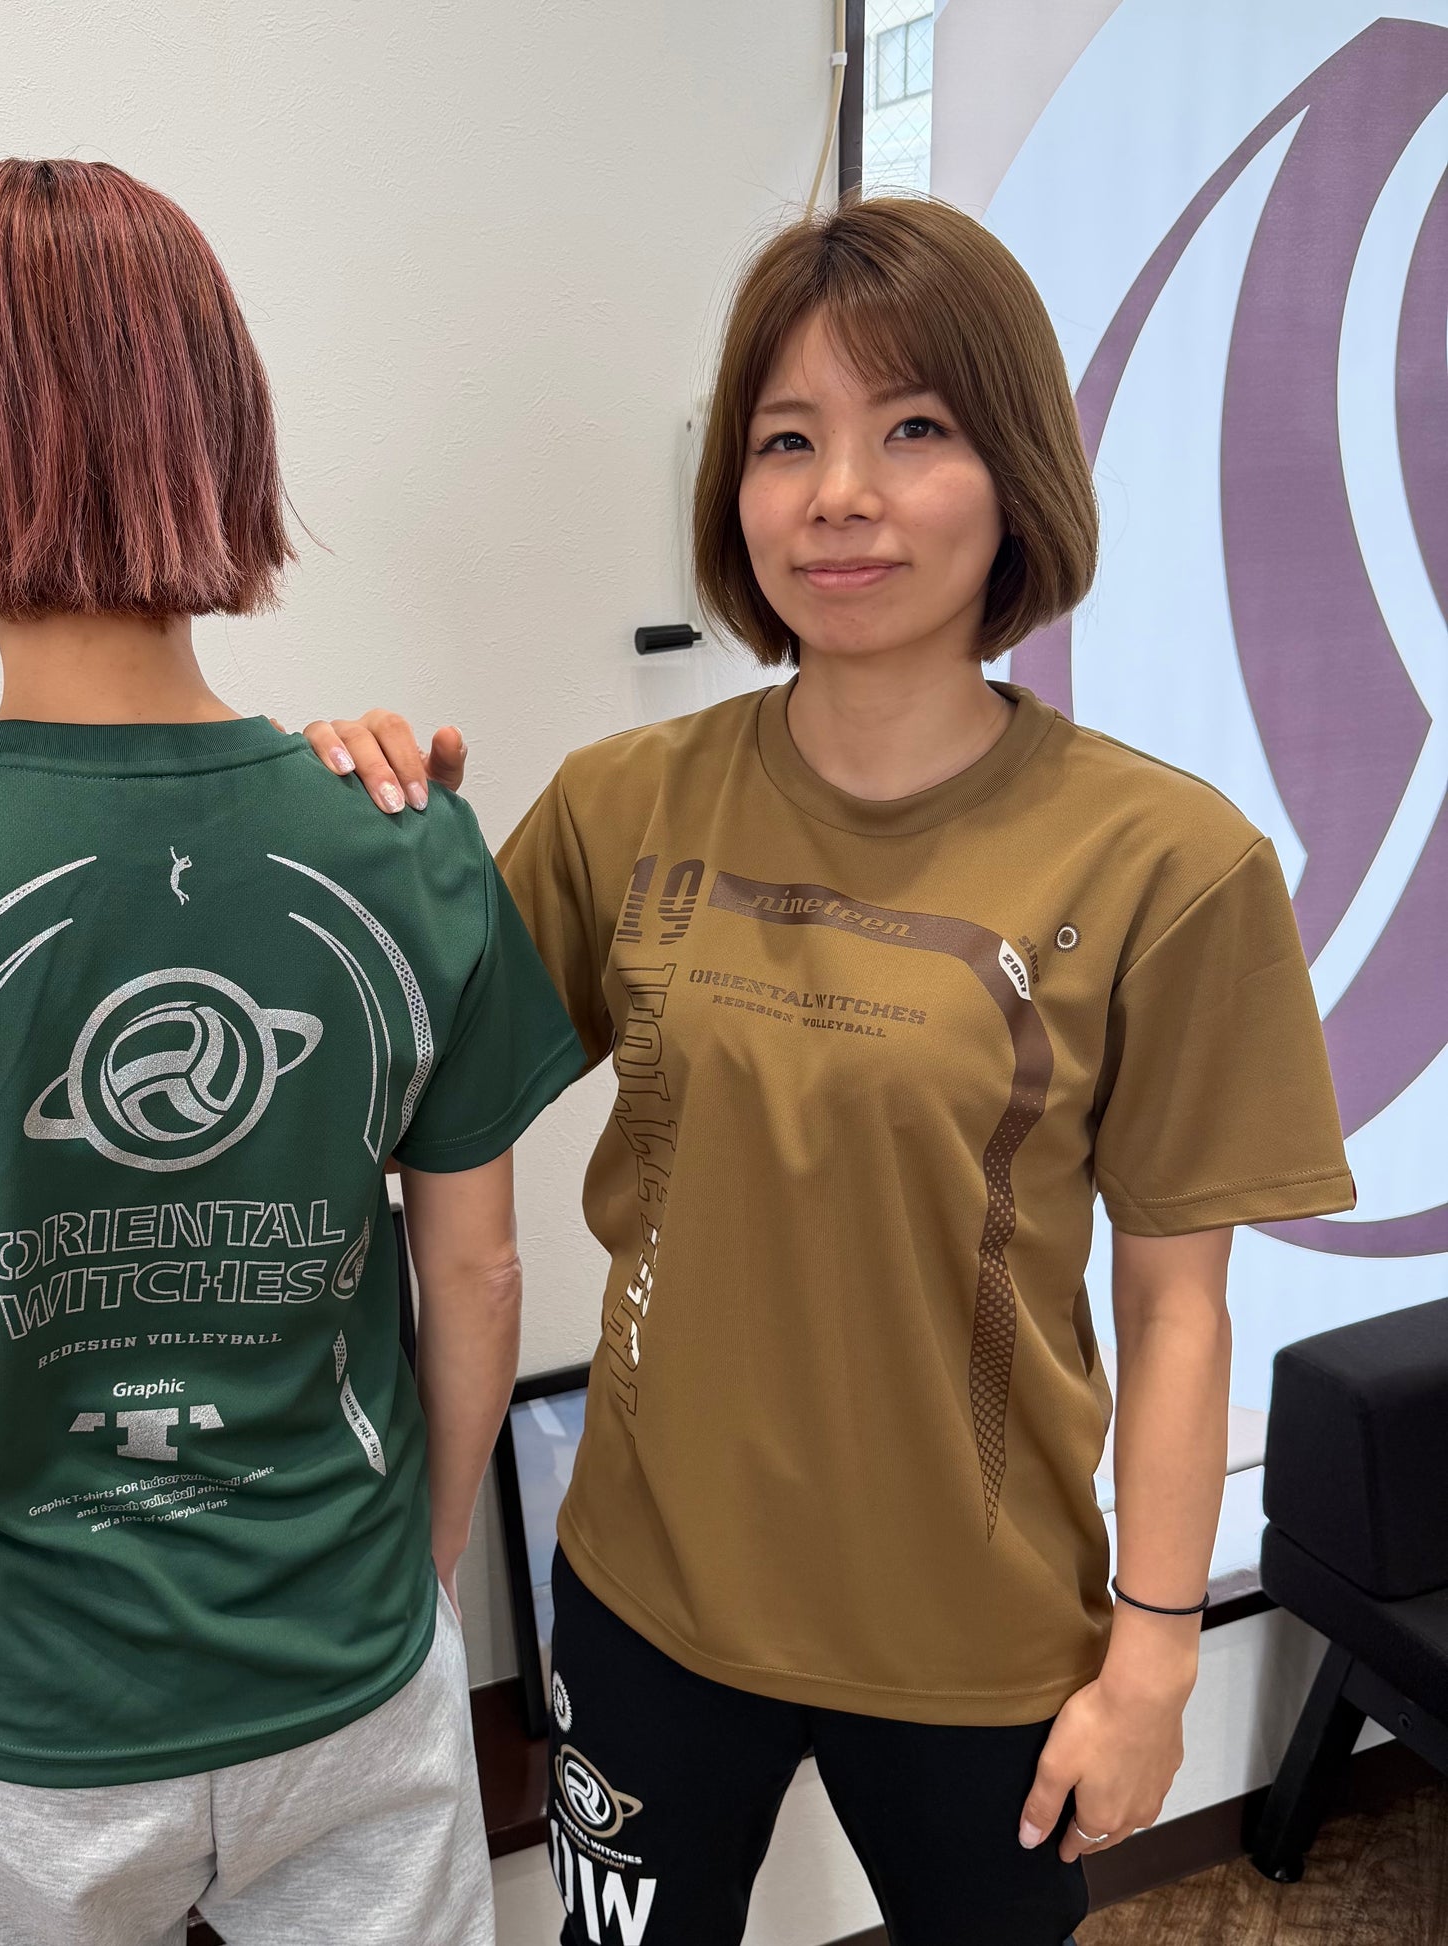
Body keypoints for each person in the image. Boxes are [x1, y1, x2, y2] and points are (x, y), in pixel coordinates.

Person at [302, 197, 1355, 1946]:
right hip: (647, 1598)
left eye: (913, 430)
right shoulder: (623, 804)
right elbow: (385, 1083)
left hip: (981, 1637)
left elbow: (1178, 1305)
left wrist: (1156, 1650)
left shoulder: (1167, 864)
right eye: (785, 440)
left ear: (1014, 474)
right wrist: (344, 820)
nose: (837, 494)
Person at [0, 157, 583, 1946]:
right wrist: (428, 1566)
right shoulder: (406, 842)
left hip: (14, 1717)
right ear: (216, 421)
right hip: (348, 1662)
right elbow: (476, 1275)